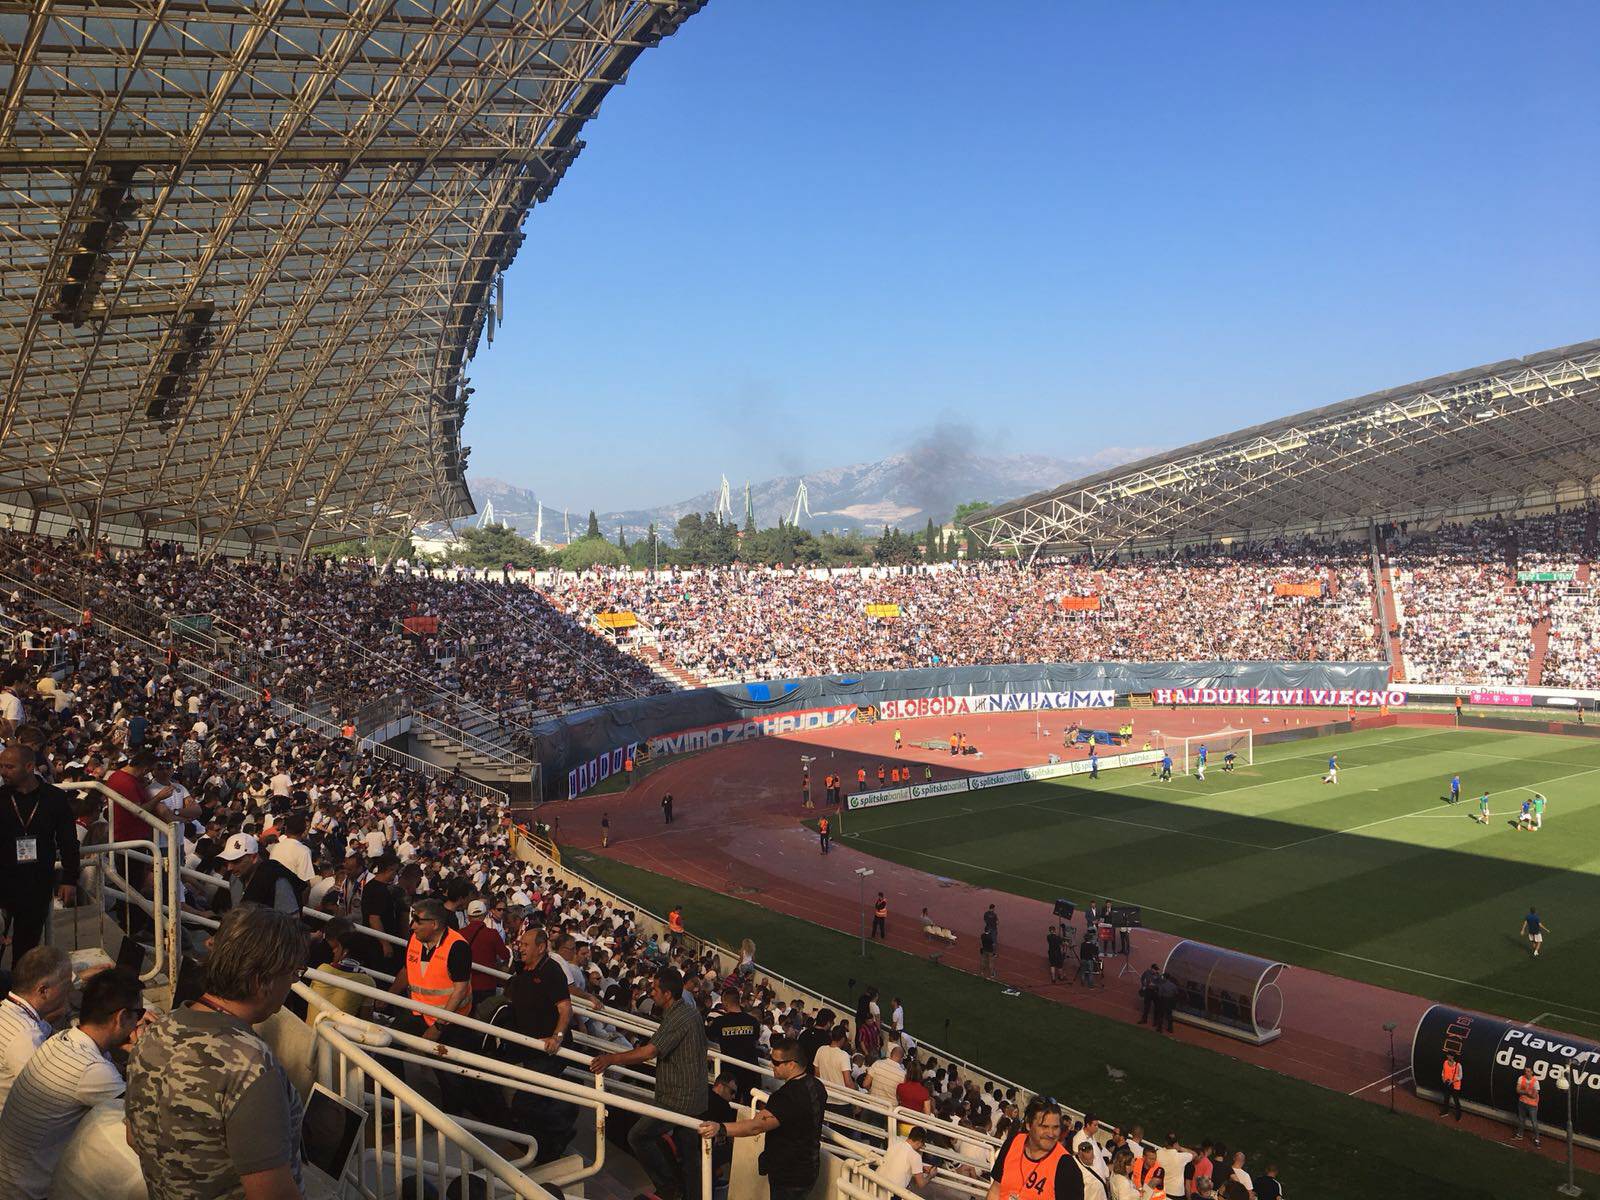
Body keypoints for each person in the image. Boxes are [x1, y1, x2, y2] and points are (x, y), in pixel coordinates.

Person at [126, 905, 309, 1200]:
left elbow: (134, 1138)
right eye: (293, 974)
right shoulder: (251, 1067)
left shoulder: (155, 1032)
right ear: (262, 981)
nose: (292, 984)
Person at [0, 968, 141, 1200]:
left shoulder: (61, 1040)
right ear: (121, 1017)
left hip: (12, 1179)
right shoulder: (92, 1071)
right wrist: (142, 1054)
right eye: (138, 1013)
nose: (138, 1023)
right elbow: (141, 1115)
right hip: (29, 1192)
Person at [590, 965, 708, 1200]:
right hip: (688, 1095)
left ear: (668, 994)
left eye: (655, 989)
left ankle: (670, 1189)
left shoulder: (679, 1016)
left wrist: (611, 1059)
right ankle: (684, 1192)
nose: (651, 992)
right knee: (689, 1154)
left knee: (639, 1136)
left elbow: (649, 1052)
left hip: (680, 1098)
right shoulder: (684, 1012)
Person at [698, 1033, 825, 1200]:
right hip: (809, 1167)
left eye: (776, 1062)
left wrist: (720, 1128)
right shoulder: (817, 1086)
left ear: (792, 1065)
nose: (772, 1065)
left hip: (789, 1174)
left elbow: (755, 1126)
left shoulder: (786, 1096)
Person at [0, 744, 80, 966]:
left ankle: (20, 995)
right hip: (3, 883)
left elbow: (68, 841)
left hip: (36, 884)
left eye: (9, 767)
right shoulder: (1, 797)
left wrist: (69, 878)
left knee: (26, 951)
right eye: (1, 766)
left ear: (29, 766)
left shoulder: (53, 798)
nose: (3, 772)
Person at [0, 945, 73, 1111]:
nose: (69, 991)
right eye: (66, 985)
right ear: (44, 991)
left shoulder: (10, 1010)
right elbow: (52, 1097)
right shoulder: (25, 1037)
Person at [391, 897, 472, 1038]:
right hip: (417, 1012)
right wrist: (389, 996)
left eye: (418, 921)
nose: (412, 926)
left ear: (434, 924)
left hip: (450, 1020)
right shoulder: (414, 938)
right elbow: (406, 970)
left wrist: (438, 1026)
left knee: (438, 1058)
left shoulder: (458, 947)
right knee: (388, 1047)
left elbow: (460, 990)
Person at [987, 1097, 1081, 1200]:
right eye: (1044, 1126)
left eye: (1055, 1127)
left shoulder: (1066, 1166)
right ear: (1028, 1125)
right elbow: (996, 1189)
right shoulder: (1013, 1143)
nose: (1051, 1134)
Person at [704, 983, 761, 1099]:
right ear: (738, 1000)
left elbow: (707, 1034)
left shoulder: (720, 1022)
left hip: (730, 1072)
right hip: (751, 1070)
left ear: (724, 1002)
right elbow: (755, 1040)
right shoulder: (753, 1021)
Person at [880, 1126, 938, 1191]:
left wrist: (921, 1168)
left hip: (876, 1185)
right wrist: (930, 1176)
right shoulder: (915, 1155)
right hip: (891, 1193)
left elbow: (899, 1163)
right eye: (923, 1144)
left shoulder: (894, 1145)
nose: (922, 1147)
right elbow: (921, 1184)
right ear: (920, 1141)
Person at [1156, 1133, 1193, 1199]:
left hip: (1161, 1190)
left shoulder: (1158, 1153)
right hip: (1176, 1193)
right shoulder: (1180, 1157)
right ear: (1176, 1144)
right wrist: (1180, 1148)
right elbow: (1194, 1154)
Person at [1514, 1062, 1541, 1144]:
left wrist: (1524, 1092)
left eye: (1528, 1071)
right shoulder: (1521, 1078)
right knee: (1521, 1119)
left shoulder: (1535, 1082)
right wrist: (1527, 1092)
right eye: (1525, 1071)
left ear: (1532, 1072)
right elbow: (1517, 1090)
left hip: (1532, 1105)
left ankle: (1537, 1139)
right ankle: (1520, 1135)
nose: (1526, 1073)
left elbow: (1533, 1096)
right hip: (1522, 1102)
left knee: (1534, 1122)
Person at [1439, 1051, 1463, 1120]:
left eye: (1449, 1055)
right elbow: (1443, 1071)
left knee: (1456, 1101)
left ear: (1453, 1057)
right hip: (1447, 1084)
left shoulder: (1458, 1065)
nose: (1448, 1057)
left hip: (1455, 1086)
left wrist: (1453, 1081)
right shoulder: (1445, 1062)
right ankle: (1445, 1112)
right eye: (1448, 1055)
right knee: (1446, 1099)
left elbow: (1460, 1076)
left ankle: (1458, 1114)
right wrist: (1443, 1078)